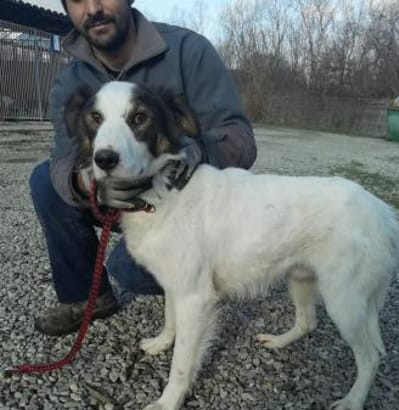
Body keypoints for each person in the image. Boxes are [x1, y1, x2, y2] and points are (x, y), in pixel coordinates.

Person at [30, 0, 257, 336]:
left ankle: (202, 275)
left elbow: (239, 137)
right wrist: (84, 182)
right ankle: (87, 297)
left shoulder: (187, 50)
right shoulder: (71, 80)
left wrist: (197, 150)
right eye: (76, 0)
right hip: (117, 199)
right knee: (44, 181)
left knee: (130, 269)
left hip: (179, 204)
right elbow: (64, 157)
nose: (92, 8)